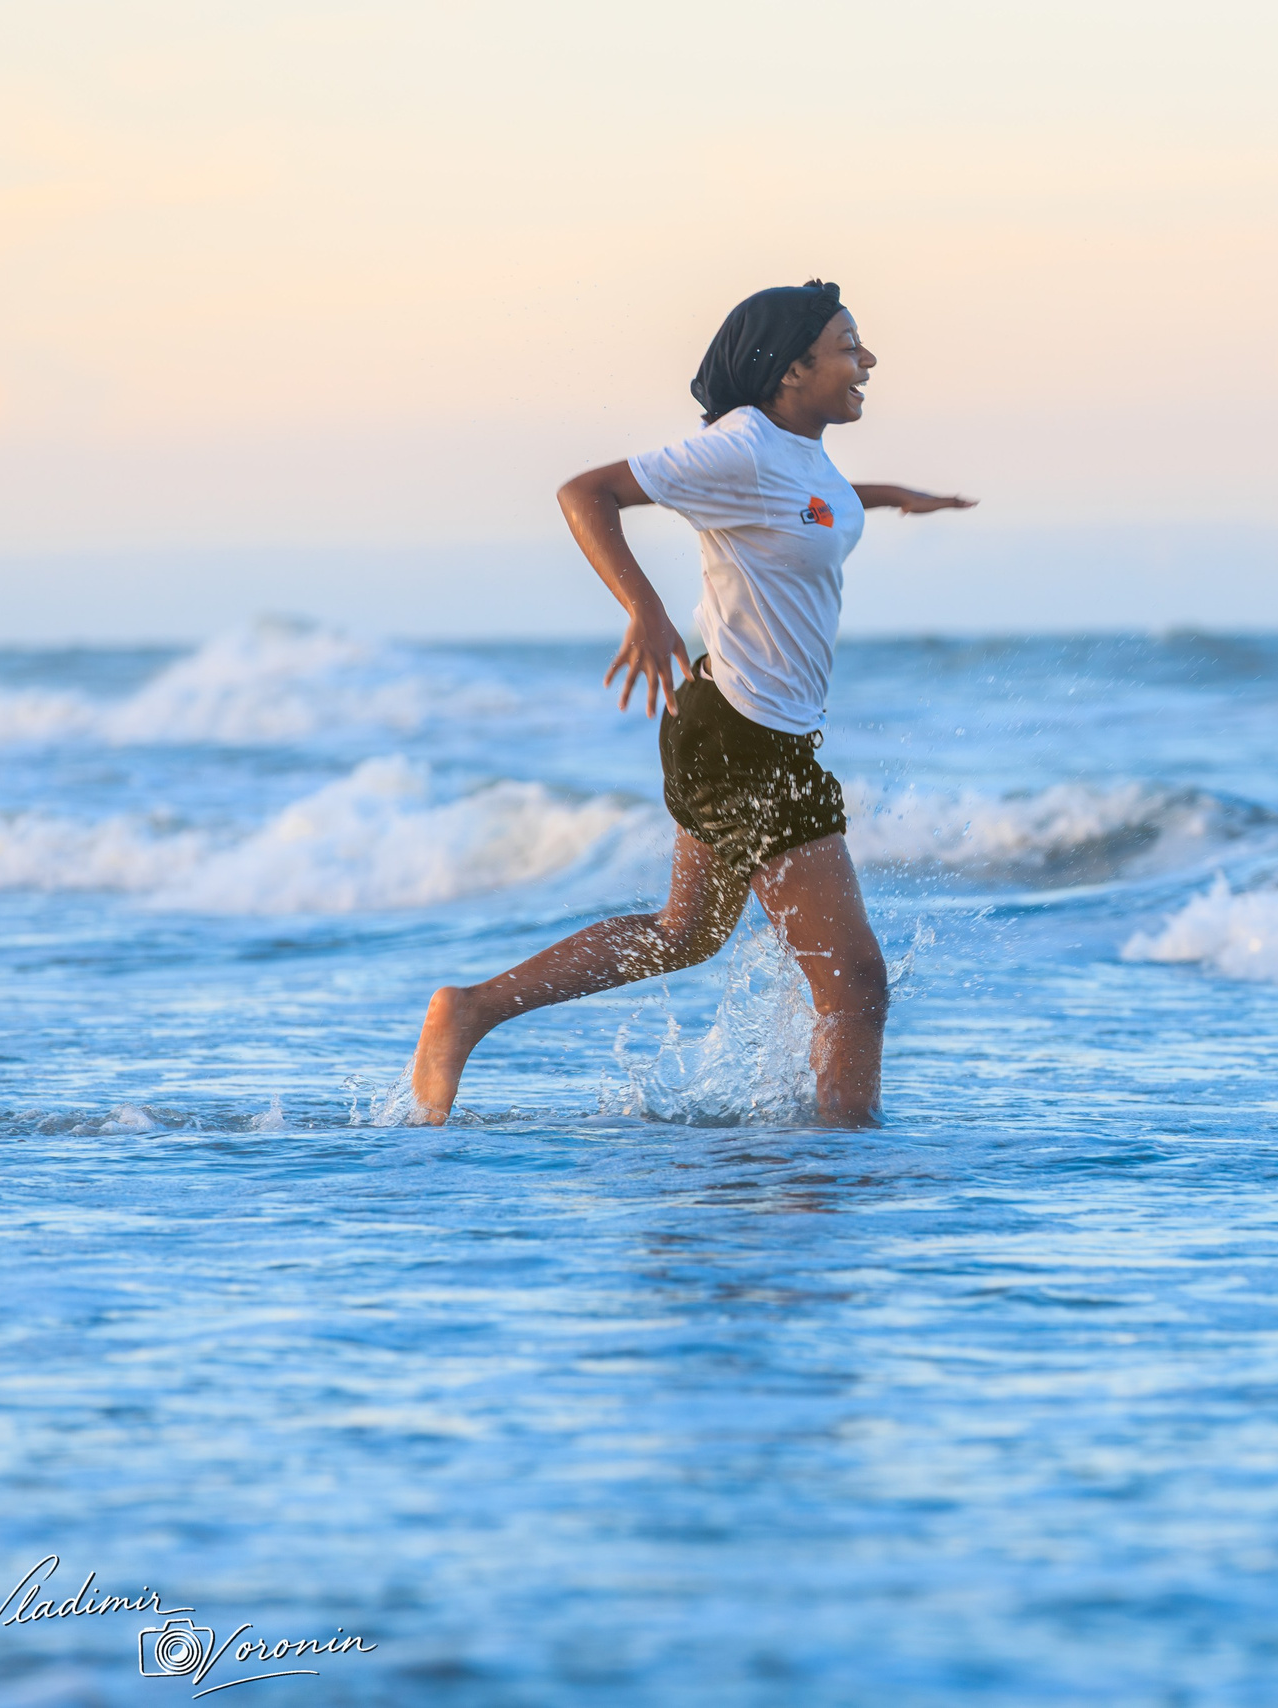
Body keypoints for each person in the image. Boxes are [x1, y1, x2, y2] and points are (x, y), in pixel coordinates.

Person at [408, 281, 973, 1126]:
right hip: (743, 732)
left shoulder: (797, 453)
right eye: (848, 346)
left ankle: (473, 1010)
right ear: (790, 371)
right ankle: (838, 1176)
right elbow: (585, 492)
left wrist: (893, 498)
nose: (868, 361)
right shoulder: (737, 450)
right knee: (854, 985)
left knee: (686, 934)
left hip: (745, 730)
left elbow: (810, 504)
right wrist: (644, 609)